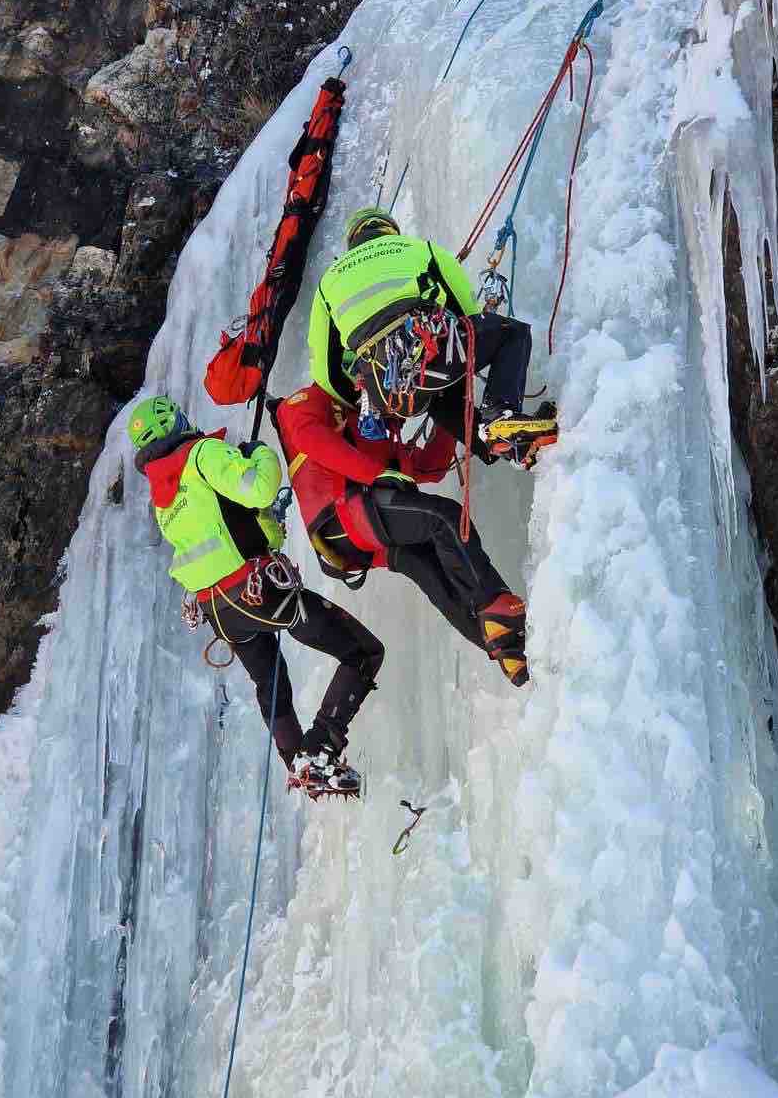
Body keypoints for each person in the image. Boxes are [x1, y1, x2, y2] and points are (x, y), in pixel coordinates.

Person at [129, 394, 384, 798]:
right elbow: (262, 488)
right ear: (175, 423)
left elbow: (237, 530)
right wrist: (260, 453)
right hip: (256, 591)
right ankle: (319, 749)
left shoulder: (164, 497)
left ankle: (300, 765)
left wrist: (266, 523)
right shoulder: (202, 454)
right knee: (363, 653)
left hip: (219, 611)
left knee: (270, 680)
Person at [271, 382, 530, 686]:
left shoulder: (385, 436)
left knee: (428, 567)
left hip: (359, 535)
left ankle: (509, 653)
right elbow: (308, 437)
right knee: (444, 518)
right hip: (342, 515)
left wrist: (449, 415)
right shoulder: (312, 401)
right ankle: (494, 604)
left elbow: (432, 467)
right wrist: (376, 474)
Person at [307, 207, 557, 469]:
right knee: (511, 332)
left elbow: (324, 373)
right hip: (425, 353)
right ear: (390, 230)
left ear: (353, 240)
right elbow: (467, 314)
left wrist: (358, 404)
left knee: (440, 399)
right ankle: (499, 415)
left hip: (382, 389)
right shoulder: (418, 248)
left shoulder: (328, 281)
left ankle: (508, 446)